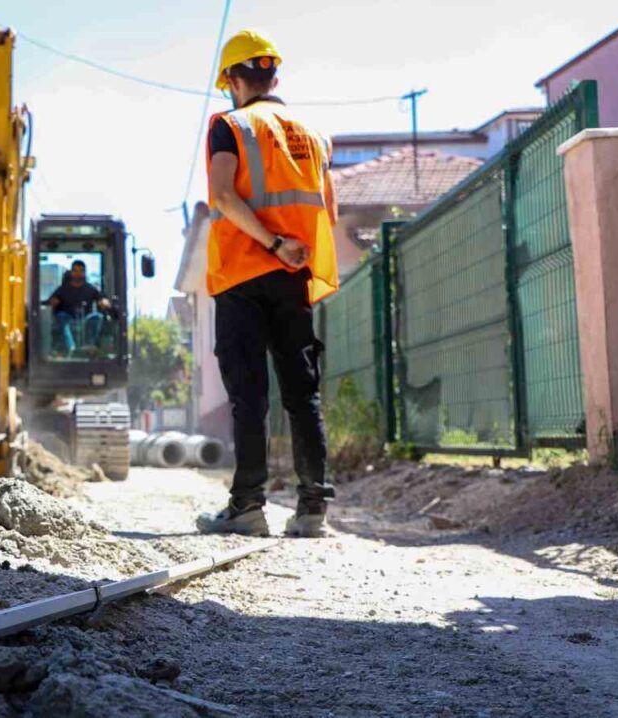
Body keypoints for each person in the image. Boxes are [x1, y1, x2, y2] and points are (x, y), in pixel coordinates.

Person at [194, 30, 340, 539]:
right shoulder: (314, 135)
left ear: (233, 81)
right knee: (302, 393)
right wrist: (291, 250)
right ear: (274, 78)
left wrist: (272, 243)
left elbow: (224, 196)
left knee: (249, 394)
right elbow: (328, 212)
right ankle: (313, 509)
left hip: (242, 273)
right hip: (293, 276)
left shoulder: (231, 125)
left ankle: (248, 507)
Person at [46, 260, 111, 356]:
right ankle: (71, 347)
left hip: (85, 320)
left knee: (97, 317)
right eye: (76, 271)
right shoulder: (63, 289)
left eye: (81, 271)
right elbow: (51, 300)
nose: (78, 274)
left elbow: (102, 299)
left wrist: (104, 302)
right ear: (71, 272)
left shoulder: (90, 289)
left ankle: (90, 346)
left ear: (84, 273)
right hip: (69, 320)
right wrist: (53, 301)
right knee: (61, 316)